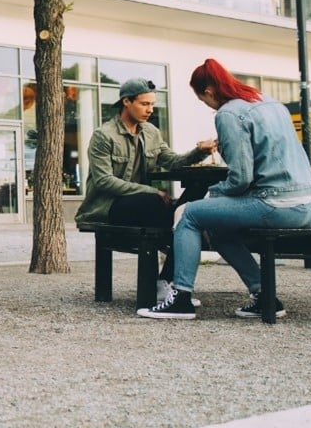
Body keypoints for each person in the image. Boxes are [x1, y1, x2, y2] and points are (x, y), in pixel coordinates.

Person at [138, 59, 311, 320]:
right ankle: (264, 296)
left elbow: (241, 178)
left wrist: (216, 192)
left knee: (188, 213)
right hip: (309, 204)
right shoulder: (267, 102)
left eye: (203, 100)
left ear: (209, 92)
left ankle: (180, 299)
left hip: (277, 203)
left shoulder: (228, 114)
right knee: (218, 229)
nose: (207, 105)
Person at [76, 77, 216, 302]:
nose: (150, 109)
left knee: (193, 201)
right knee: (156, 205)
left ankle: (165, 279)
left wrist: (199, 152)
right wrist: (152, 192)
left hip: (143, 207)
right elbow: (104, 181)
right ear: (126, 102)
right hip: (109, 207)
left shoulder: (151, 132)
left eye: (152, 104)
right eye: (144, 104)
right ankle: (173, 263)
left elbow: (171, 161)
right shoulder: (104, 135)